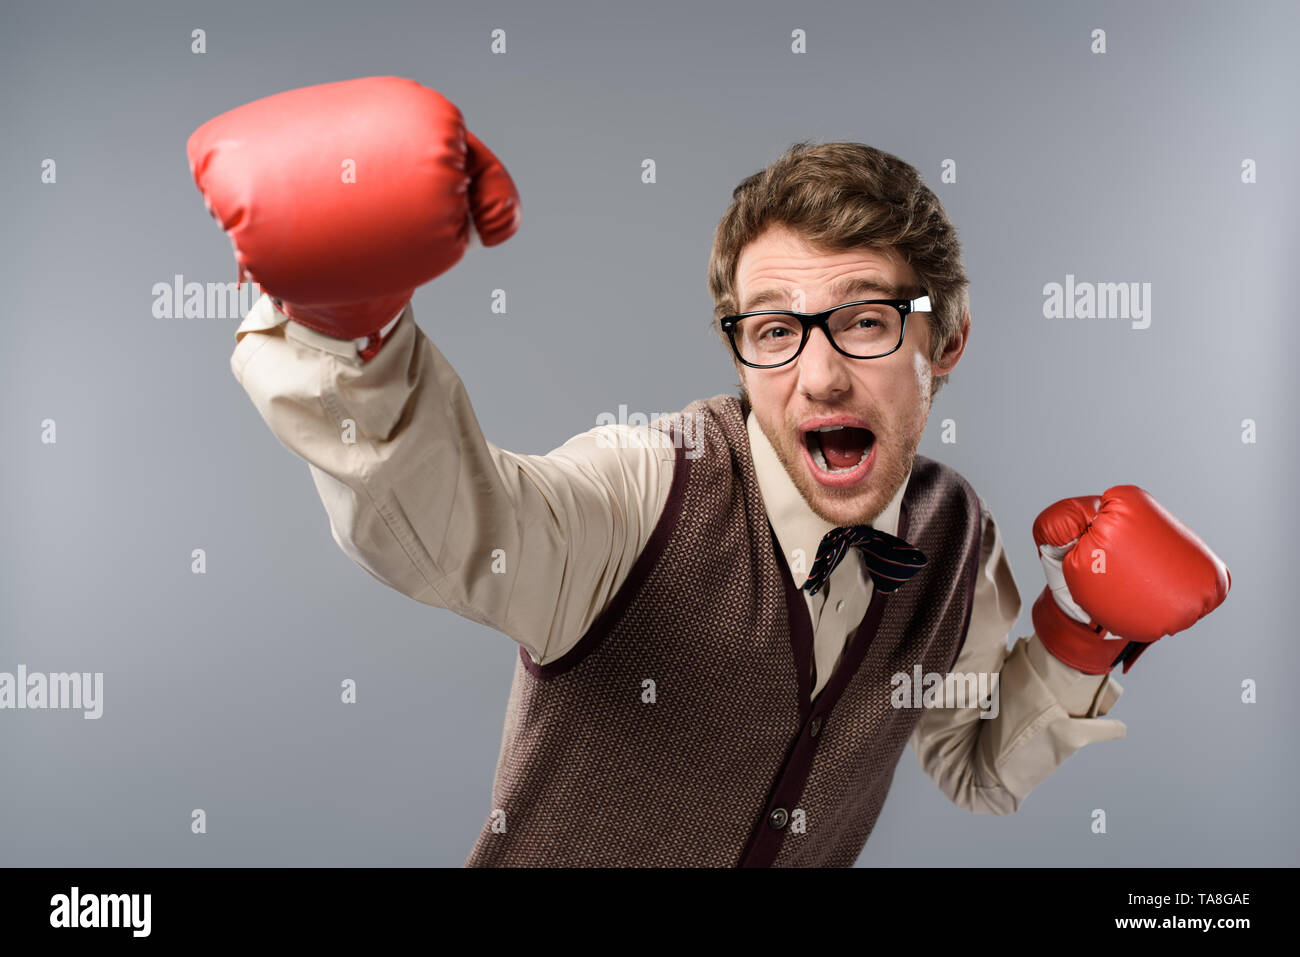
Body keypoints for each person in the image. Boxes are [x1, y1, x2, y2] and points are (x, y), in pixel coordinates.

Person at [188, 76, 1231, 867]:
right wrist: (346, 328)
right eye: (774, 330)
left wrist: (1084, 639)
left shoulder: (958, 537)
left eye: (866, 321)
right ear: (739, 354)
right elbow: (451, 526)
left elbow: (976, 764)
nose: (819, 375)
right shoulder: (646, 491)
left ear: (945, 342)